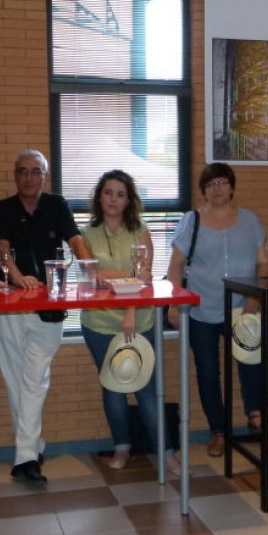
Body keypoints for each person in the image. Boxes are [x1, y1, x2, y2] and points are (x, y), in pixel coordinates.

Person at [0, 149, 92, 484]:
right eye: (23, 171)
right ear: (15, 175)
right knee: (15, 378)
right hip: (9, 305)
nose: (29, 177)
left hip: (49, 306)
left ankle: (25, 457)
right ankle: (32, 448)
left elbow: (75, 239)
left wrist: (90, 271)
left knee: (35, 379)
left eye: (36, 171)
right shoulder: (1, 209)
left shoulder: (56, 205)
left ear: (45, 176)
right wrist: (17, 277)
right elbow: (2, 251)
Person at [80, 170, 182, 475]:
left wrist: (128, 309)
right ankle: (122, 447)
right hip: (97, 323)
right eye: (108, 192)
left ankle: (166, 452)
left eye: (120, 194)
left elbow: (145, 277)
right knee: (112, 387)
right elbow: (88, 278)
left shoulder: (141, 231)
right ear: (100, 196)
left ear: (129, 200)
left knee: (146, 389)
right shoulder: (87, 233)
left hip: (139, 319)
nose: (113, 199)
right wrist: (123, 276)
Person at [165, 162, 268, 458]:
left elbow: (264, 262)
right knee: (208, 373)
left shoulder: (250, 220)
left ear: (233, 187)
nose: (217, 188)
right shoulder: (192, 220)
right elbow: (175, 266)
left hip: (242, 307)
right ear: (204, 191)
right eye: (211, 184)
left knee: (251, 361)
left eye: (222, 182)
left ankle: (255, 415)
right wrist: (173, 302)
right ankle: (219, 432)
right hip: (201, 310)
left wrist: (255, 298)